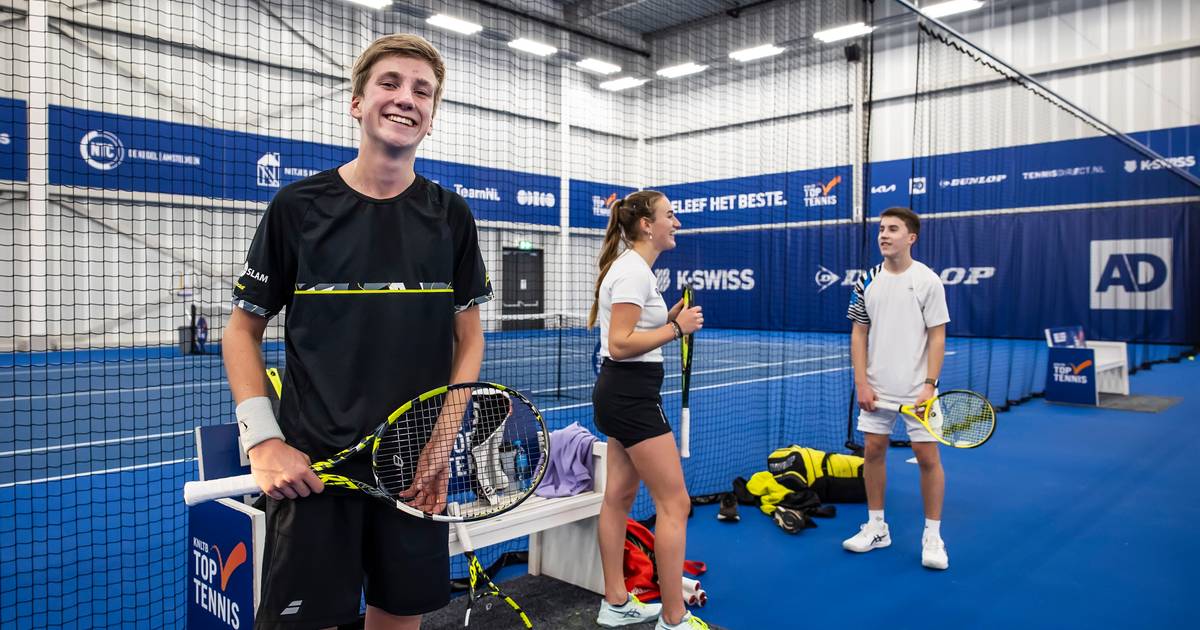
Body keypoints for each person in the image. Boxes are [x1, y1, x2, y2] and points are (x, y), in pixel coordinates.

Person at [223, 33, 492, 629]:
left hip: (412, 471)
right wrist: (263, 441)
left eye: (423, 91)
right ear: (357, 103)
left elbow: (469, 340)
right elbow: (241, 332)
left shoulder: (452, 217)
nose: (406, 99)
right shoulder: (297, 207)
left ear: (432, 116)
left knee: (399, 619)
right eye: (390, 83)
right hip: (316, 474)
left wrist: (441, 442)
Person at [589, 191, 708, 629]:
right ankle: (674, 619)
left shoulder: (635, 271)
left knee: (618, 498)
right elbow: (620, 345)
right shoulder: (633, 273)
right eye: (670, 216)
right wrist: (676, 328)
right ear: (646, 225)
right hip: (631, 397)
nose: (675, 222)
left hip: (624, 394)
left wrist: (667, 317)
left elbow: (631, 331)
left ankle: (615, 602)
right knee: (674, 504)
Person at [842, 206, 950, 570]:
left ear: (911, 237)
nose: (884, 235)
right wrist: (862, 382)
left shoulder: (928, 281)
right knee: (872, 451)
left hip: (919, 391)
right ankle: (876, 527)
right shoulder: (867, 280)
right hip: (877, 389)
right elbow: (859, 331)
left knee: (927, 458)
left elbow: (937, 336)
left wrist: (929, 386)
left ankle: (932, 536)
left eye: (893, 229)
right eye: (881, 229)